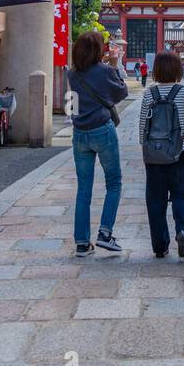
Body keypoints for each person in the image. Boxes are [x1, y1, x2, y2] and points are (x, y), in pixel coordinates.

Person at [67, 31, 128, 257]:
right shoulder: (104, 71)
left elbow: (73, 104)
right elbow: (122, 91)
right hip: (102, 129)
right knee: (113, 182)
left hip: (79, 132)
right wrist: (114, 63)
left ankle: (82, 242)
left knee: (84, 189)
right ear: (98, 50)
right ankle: (105, 233)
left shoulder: (73, 74)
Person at [139, 51, 184, 259]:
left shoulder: (149, 94)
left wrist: (147, 149)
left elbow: (142, 126)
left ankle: (160, 246)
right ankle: (182, 231)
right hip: (180, 153)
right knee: (181, 196)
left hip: (155, 156)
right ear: (178, 70)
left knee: (155, 201)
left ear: (156, 70)